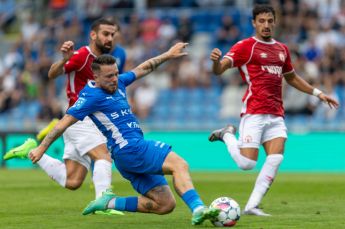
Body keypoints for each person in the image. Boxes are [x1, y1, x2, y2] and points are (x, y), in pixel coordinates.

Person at [28, 43, 220, 225]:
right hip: (131, 148)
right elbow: (62, 124)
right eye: (109, 76)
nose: (114, 79)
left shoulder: (118, 83)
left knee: (165, 204)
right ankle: (198, 209)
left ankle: (108, 203)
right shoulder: (89, 97)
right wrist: (42, 147)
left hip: (126, 157)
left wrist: (168, 55)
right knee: (180, 164)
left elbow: (144, 68)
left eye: (116, 74)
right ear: (95, 77)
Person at [208, 5, 339, 217]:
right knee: (247, 164)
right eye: (261, 21)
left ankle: (251, 206)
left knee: (276, 158)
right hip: (255, 111)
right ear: (254, 23)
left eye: (270, 21)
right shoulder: (245, 47)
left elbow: (292, 77)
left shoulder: (282, 49)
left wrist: (318, 93)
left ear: (275, 22)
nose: (266, 25)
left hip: (276, 114)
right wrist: (215, 62)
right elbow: (220, 69)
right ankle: (227, 134)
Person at [3, 18, 121, 206]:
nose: (110, 38)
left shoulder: (106, 61)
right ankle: (104, 202)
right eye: (105, 34)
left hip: (88, 120)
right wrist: (65, 60)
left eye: (112, 35)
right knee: (103, 155)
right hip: (80, 118)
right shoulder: (83, 55)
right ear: (93, 35)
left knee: (72, 181)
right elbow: (51, 74)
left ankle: (29, 151)